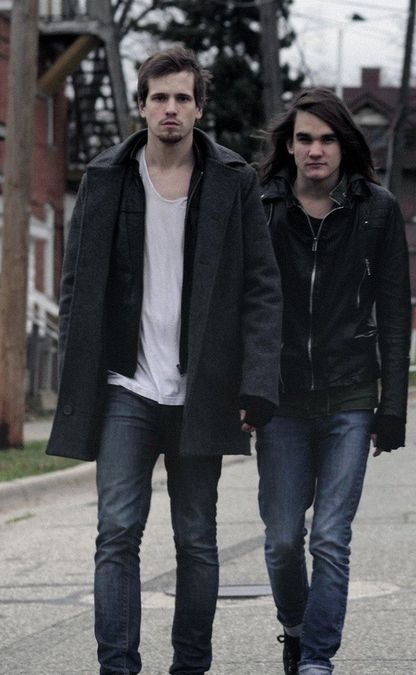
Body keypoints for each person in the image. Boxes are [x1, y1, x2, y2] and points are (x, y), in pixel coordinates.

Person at [46, 46, 282, 674]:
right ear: (142, 107)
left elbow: (262, 288)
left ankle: (190, 667)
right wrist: (79, 376)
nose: (170, 108)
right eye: (159, 98)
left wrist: (256, 384)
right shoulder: (106, 178)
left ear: (199, 108)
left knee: (197, 539)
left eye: (182, 97)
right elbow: (75, 287)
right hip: (126, 386)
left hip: (203, 388)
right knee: (117, 532)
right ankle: (117, 666)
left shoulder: (233, 180)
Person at [256, 88, 411, 675]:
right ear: (288, 146)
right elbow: (244, 305)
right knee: (281, 540)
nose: (315, 150)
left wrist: (392, 406)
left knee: (329, 536)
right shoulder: (263, 206)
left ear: (344, 146)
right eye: (304, 139)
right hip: (281, 400)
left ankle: (317, 658)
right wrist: (245, 389)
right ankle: (297, 630)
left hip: (350, 393)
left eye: (326, 139)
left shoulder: (377, 209)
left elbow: (394, 310)